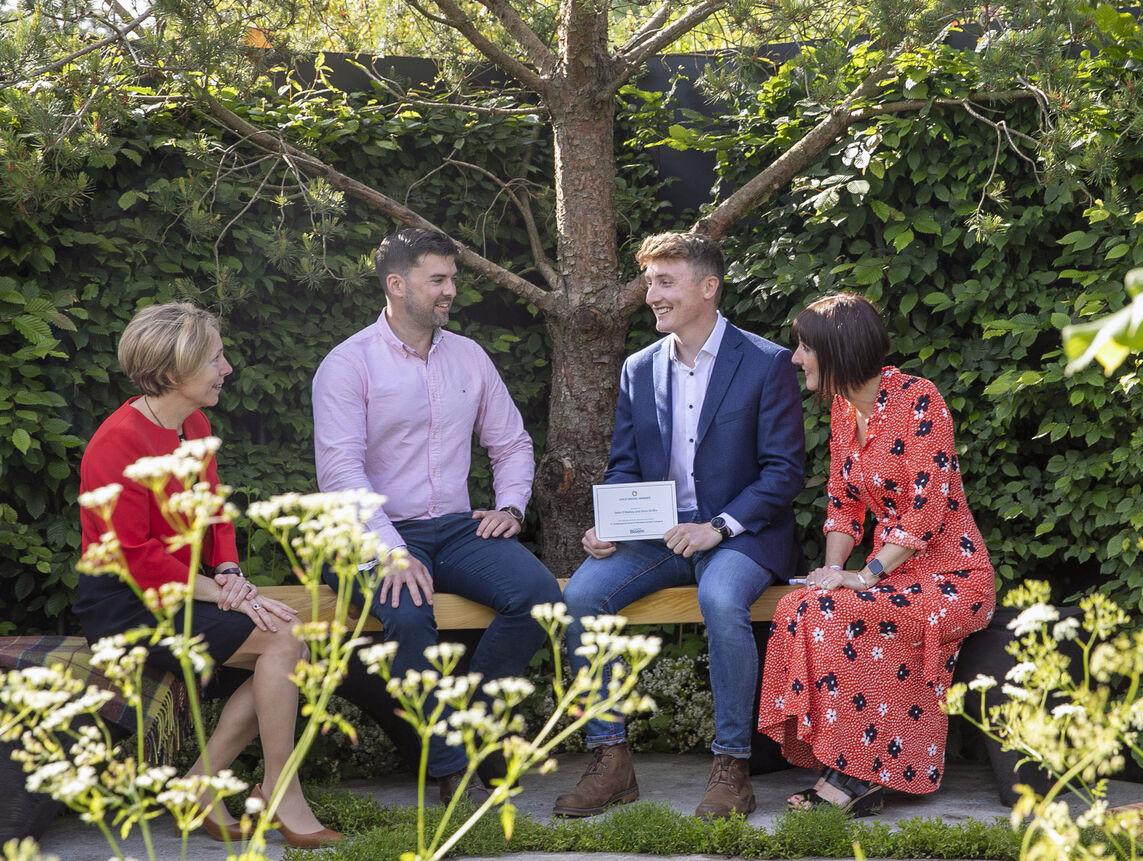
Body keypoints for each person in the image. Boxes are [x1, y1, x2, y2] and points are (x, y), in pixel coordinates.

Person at [553, 232, 807, 819]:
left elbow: (783, 472)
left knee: (721, 600)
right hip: (660, 536)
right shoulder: (639, 368)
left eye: (665, 282)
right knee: (584, 595)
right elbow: (624, 466)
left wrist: (718, 526)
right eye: (649, 282)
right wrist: (608, 523)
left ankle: (732, 767)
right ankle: (610, 760)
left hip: (741, 536)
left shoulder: (765, 362)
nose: (651, 295)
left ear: (708, 288)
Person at [75, 302, 342, 848]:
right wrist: (227, 595)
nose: (227, 369)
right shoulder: (116, 443)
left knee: (290, 645)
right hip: (127, 602)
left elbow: (215, 510)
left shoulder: (194, 423)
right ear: (175, 373)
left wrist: (229, 571)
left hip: (192, 586)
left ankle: (208, 783)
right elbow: (134, 558)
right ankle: (273, 790)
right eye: (216, 359)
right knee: (289, 644)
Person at [312, 227, 563, 803]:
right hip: (365, 531)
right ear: (397, 285)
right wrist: (389, 550)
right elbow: (340, 472)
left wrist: (510, 505)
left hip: (453, 527)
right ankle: (449, 768)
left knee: (539, 596)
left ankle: (472, 732)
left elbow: (512, 444)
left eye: (453, 278)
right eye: (438, 279)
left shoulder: (468, 357)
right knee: (407, 608)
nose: (451, 290)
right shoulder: (348, 365)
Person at [757, 293, 996, 816]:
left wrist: (863, 578)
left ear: (838, 349)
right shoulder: (845, 413)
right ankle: (840, 759)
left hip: (953, 575)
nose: (796, 359)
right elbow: (844, 506)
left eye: (805, 348)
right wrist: (832, 571)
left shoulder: (919, 399)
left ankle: (856, 776)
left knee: (845, 611)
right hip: (893, 573)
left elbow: (925, 514)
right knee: (801, 606)